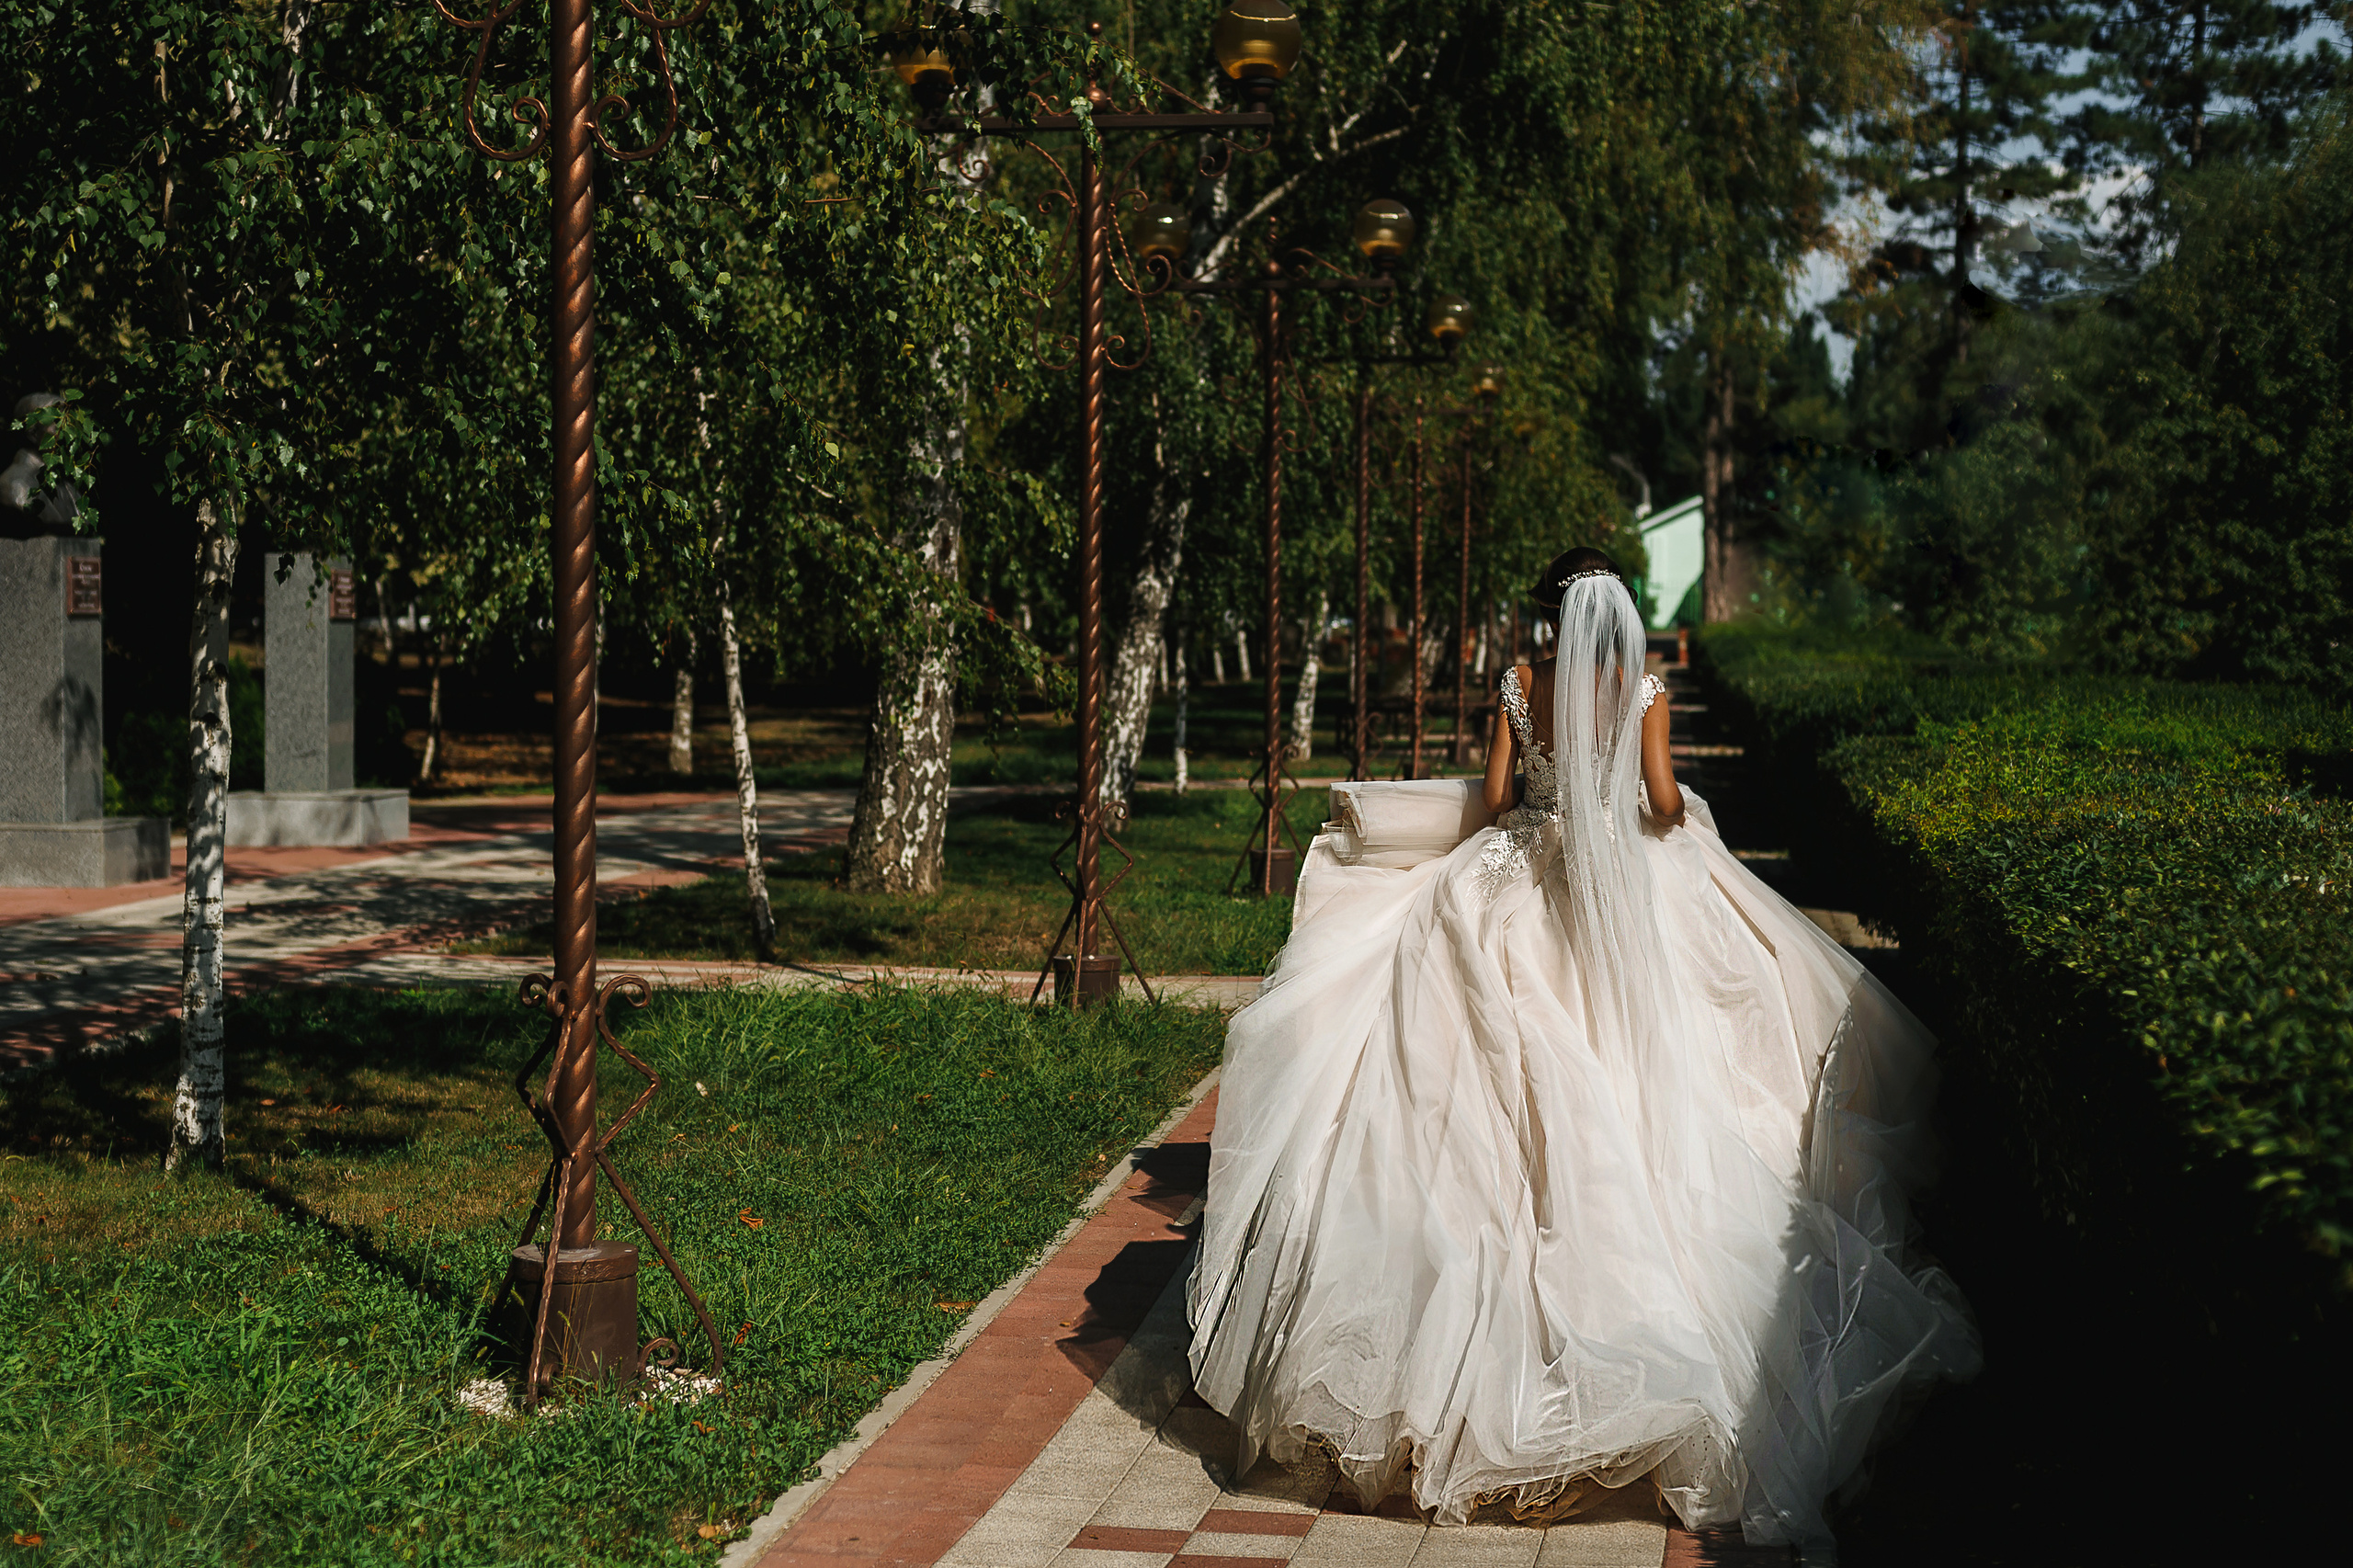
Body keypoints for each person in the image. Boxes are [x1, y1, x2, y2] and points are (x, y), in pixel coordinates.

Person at [1187, 547, 1979, 1557]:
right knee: (1652, 1074)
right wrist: (1668, 813)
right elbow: (1654, 803)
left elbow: (1503, 792)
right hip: (1617, 899)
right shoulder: (1639, 688)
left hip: (1521, 879)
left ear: (1551, 615)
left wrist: (1496, 815)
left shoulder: (1521, 681)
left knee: (1482, 1090)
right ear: (1620, 613)